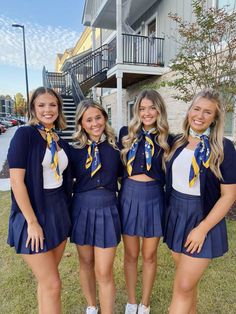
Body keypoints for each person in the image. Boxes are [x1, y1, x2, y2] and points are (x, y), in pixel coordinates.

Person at [163, 89, 236, 314]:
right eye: (196, 109)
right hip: (176, 216)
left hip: (204, 218)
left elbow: (229, 195)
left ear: (215, 118)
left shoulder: (223, 147)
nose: (200, 116)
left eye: (207, 112)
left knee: (183, 287)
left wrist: (202, 229)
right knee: (188, 287)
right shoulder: (176, 142)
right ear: (189, 111)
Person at [7, 87, 72, 314]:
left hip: (59, 213)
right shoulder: (24, 135)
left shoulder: (57, 137)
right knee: (53, 284)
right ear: (33, 108)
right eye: (42, 105)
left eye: (52, 105)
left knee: (47, 282)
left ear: (58, 108)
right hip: (33, 215)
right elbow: (17, 182)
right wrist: (32, 222)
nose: (47, 109)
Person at [119, 90, 170, 314]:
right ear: (136, 111)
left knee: (149, 255)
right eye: (142, 108)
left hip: (154, 197)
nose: (147, 113)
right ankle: (131, 301)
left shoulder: (169, 138)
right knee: (130, 254)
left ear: (159, 109)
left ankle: (145, 303)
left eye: (152, 108)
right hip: (129, 195)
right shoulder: (125, 133)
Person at [70, 99, 122, 314]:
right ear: (81, 123)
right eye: (88, 119)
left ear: (105, 118)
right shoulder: (72, 150)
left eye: (98, 118)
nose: (94, 123)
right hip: (82, 208)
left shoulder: (116, 147)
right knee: (86, 263)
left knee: (104, 270)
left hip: (108, 208)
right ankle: (91, 306)